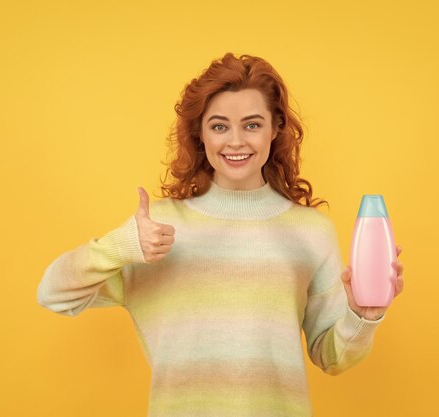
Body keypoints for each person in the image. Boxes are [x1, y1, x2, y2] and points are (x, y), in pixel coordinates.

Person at [36, 52, 405, 417]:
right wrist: (122, 245)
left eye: (252, 124)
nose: (236, 142)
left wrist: (362, 316)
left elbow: (332, 358)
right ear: (200, 133)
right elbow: (53, 294)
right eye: (219, 126)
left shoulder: (310, 232)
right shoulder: (158, 229)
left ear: (275, 128)